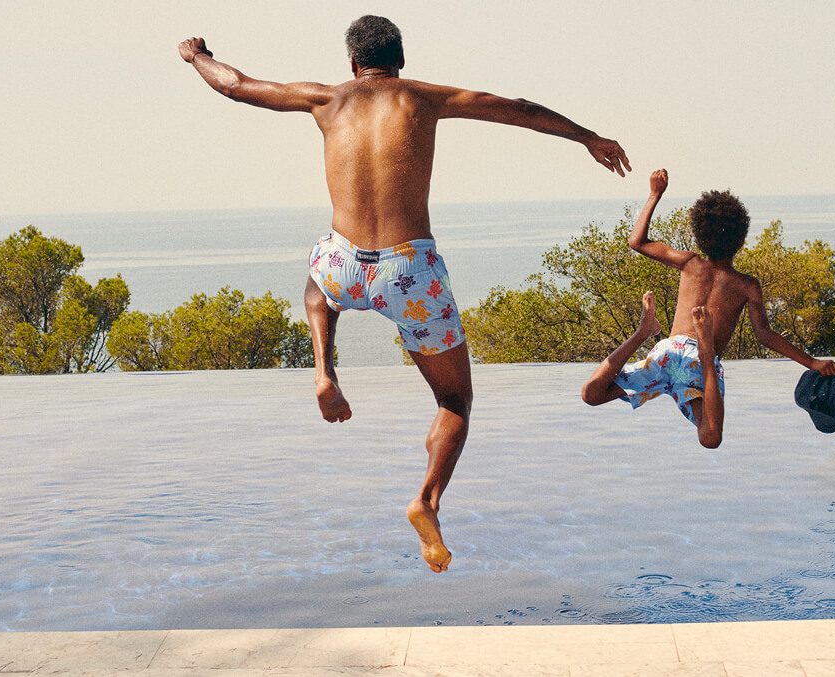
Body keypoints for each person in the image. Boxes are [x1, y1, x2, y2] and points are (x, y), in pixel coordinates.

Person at [178, 15, 630, 573]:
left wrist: (197, 55)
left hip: (345, 261)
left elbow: (237, 85)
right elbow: (518, 108)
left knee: (317, 281)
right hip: (409, 271)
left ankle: (324, 369)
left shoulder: (325, 98)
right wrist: (588, 137)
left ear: (351, 63)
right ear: (402, 60)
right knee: (455, 402)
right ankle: (427, 500)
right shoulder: (423, 97)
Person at [580, 169, 835, 448]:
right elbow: (765, 335)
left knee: (591, 394)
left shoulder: (689, 263)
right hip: (698, 365)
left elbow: (637, 242)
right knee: (710, 437)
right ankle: (705, 349)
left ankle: (644, 333)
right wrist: (812, 362)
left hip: (668, 354)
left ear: (699, 235)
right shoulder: (747, 286)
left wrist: (655, 194)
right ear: (741, 240)